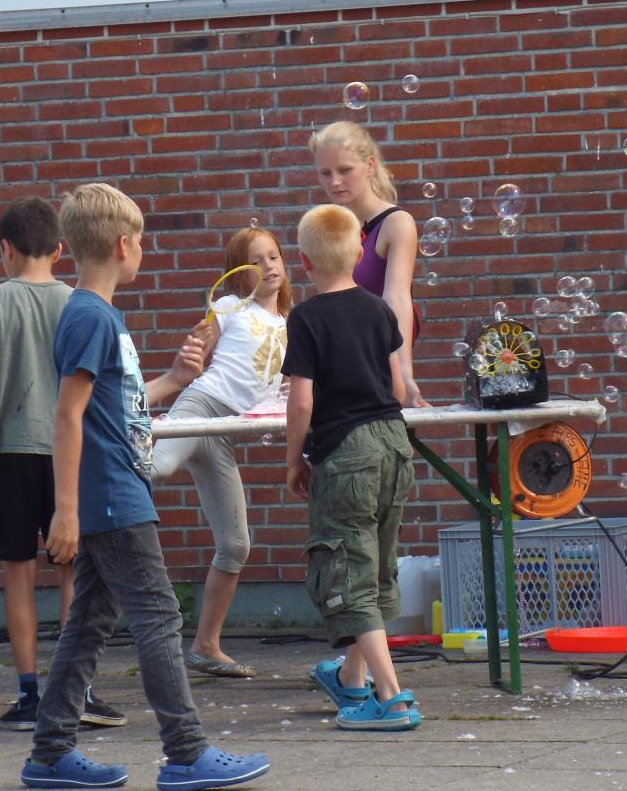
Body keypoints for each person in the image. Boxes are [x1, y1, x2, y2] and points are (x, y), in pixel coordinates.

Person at [19, 182, 269, 791]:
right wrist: (66, 511)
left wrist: (174, 379)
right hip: (111, 495)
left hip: (113, 489)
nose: (144, 249)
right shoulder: (89, 316)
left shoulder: (98, 315)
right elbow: (68, 415)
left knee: (88, 623)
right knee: (158, 616)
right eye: (141, 239)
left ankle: (50, 753)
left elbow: (119, 406)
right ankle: (186, 752)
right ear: (122, 244)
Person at [0, 196, 125, 732]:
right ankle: (79, 689)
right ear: (59, 250)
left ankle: (28, 693)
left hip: (11, 451)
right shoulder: (77, 301)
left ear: (5, 249)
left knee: (19, 575)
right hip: (66, 454)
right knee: (73, 571)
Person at [282, 203, 420, 732]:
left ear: (303, 261)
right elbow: (396, 385)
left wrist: (295, 459)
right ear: (361, 252)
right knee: (377, 565)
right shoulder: (379, 311)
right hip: (394, 443)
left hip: (348, 452)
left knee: (348, 571)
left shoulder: (306, 318)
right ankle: (351, 678)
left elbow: (301, 402)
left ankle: (393, 699)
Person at [152, 226, 291, 678]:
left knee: (235, 545)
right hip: (199, 408)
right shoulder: (231, 307)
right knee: (158, 467)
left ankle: (205, 647)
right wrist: (197, 342)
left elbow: (286, 387)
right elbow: (201, 347)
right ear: (237, 275)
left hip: (224, 434)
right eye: (256, 261)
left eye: (274, 257)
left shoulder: (290, 324)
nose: (268, 266)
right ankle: (85, 482)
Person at [308, 121, 427, 407]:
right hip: (340, 359)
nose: (334, 182)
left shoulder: (396, 223)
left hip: (378, 361)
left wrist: (405, 374)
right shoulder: (332, 224)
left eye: (345, 170)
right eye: (325, 173)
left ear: (370, 165)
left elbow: (397, 297)